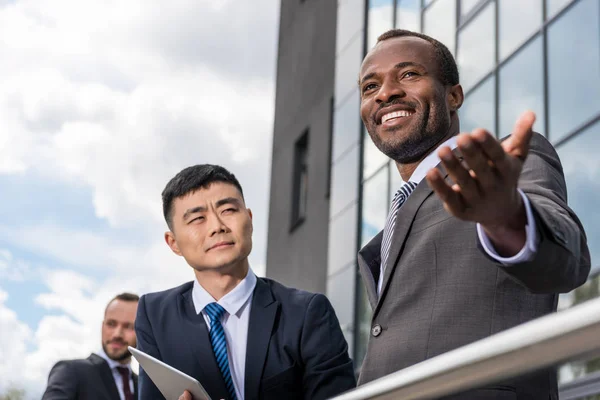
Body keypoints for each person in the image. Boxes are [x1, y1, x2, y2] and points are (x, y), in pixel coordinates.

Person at [356, 29, 591, 398]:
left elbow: (566, 259)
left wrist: (507, 218)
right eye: (370, 87)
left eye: (409, 74)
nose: (385, 93)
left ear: (454, 95)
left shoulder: (506, 166)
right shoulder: (384, 235)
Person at [135, 164, 356, 400]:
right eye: (198, 218)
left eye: (228, 210)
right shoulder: (155, 315)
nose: (217, 227)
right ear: (173, 243)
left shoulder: (306, 313)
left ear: (249, 220)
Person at [42, 293, 139, 400]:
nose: (117, 334)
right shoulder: (71, 371)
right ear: (103, 326)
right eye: (111, 324)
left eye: (129, 327)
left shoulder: (146, 386)